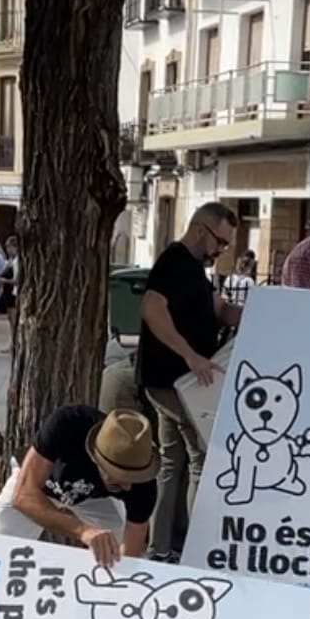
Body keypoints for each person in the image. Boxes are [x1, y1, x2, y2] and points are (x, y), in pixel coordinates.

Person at [0, 405, 158, 619]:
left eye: (137, 478)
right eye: (121, 479)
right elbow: (23, 496)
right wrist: (83, 531)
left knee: (118, 569)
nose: (130, 486)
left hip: (93, 499)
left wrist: (113, 585)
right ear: (98, 458)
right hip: (38, 487)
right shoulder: (67, 424)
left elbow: (129, 563)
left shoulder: (143, 486)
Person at [138, 202, 242, 562]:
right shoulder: (174, 261)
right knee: (200, 456)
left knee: (172, 461)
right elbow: (152, 309)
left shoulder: (196, 269)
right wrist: (190, 355)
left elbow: (218, 310)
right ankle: (192, 550)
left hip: (179, 381)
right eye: (221, 242)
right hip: (175, 380)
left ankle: (162, 546)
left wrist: (263, 312)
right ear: (201, 230)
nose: (222, 251)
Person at [0, 235, 20, 348]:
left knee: (14, 319)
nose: (8, 250)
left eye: (10, 247)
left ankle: (15, 342)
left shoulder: (17, 262)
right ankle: (13, 341)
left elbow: (16, 280)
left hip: (13, 293)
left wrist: (3, 280)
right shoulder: (9, 261)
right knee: (10, 319)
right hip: (7, 293)